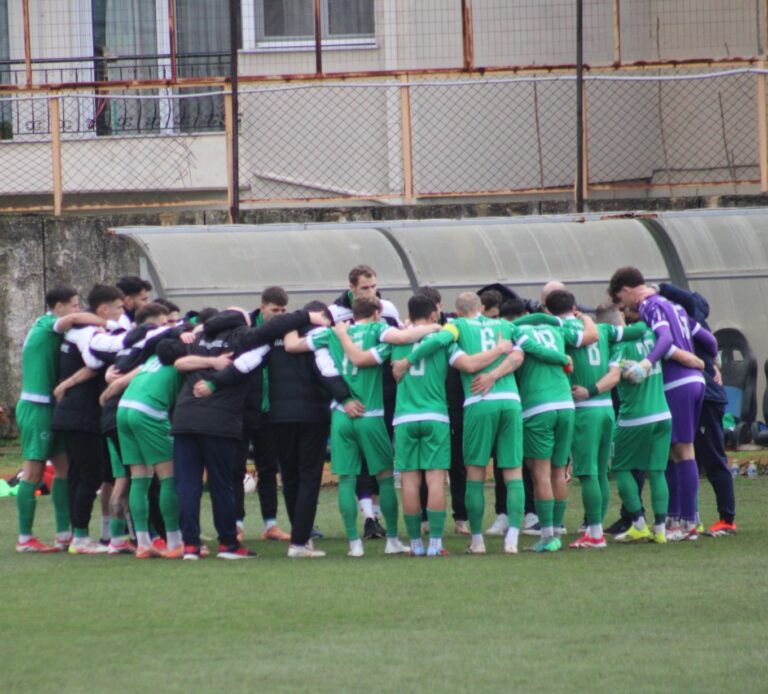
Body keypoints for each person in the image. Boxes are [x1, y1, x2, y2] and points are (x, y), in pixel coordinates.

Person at [397, 292, 571, 555]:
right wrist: (561, 358)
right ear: (480, 307)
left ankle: (477, 540)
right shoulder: (505, 325)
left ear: (457, 311)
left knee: (475, 473)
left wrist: (407, 361)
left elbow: (440, 344)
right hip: (511, 401)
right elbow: (524, 353)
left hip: (478, 401)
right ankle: (512, 539)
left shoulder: (456, 326)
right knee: (513, 472)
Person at [170, 306, 326, 560]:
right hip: (218, 421)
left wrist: (202, 353)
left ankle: (190, 546)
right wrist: (307, 316)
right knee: (221, 484)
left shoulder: (198, 338)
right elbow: (273, 328)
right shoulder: (240, 337)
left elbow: (177, 362)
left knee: (187, 484)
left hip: (184, 418)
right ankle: (228, 544)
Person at [388, 293, 514, 556]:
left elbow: (368, 357)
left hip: (404, 417)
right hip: (436, 416)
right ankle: (435, 544)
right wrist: (499, 351)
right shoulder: (445, 342)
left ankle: (415, 545)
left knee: (409, 482)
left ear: (409, 315)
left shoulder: (396, 340)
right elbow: (468, 364)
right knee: (435, 481)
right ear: (434, 314)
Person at [289, 297, 408, 557]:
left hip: (341, 415)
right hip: (370, 413)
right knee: (385, 477)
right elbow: (401, 339)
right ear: (377, 313)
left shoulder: (332, 332)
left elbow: (294, 346)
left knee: (346, 479)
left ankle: (354, 544)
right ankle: (392, 540)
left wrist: (288, 322)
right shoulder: (379, 330)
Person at [609, 267, 719, 541]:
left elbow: (665, 339)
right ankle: (678, 519)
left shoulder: (650, 305)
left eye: (621, 301)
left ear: (626, 290)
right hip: (695, 381)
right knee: (676, 451)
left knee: (682, 451)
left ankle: (687, 522)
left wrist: (647, 363)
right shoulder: (675, 306)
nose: (624, 308)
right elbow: (709, 339)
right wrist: (713, 363)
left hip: (676, 383)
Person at [15, 287, 105, 553]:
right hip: (36, 407)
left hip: (54, 408)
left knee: (64, 469)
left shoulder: (59, 331)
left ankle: (64, 534)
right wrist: (108, 323)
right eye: (74, 304)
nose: (77, 309)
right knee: (33, 471)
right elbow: (73, 319)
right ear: (58, 307)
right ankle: (24, 538)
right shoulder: (46, 325)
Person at [51, 284, 125, 554]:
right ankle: (80, 537)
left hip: (72, 413)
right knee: (90, 475)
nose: (121, 313)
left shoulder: (80, 328)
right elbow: (94, 363)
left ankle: (76, 534)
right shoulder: (87, 331)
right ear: (104, 309)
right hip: (80, 415)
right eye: (118, 308)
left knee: (79, 474)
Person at [657, 283, 736, 536]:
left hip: (706, 397)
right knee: (688, 457)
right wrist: (713, 363)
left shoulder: (689, 318)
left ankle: (727, 519)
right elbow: (711, 344)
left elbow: (709, 342)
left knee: (712, 457)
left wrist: (659, 287)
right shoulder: (689, 321)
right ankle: (690, 517)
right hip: (703, 393)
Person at [329, 264, 401, 539]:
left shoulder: (387, 309)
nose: (371, 292)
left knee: (378, 465)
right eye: (364, 288)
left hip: (383, 396)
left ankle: (374, 520)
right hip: (353, 402)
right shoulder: (334, 314)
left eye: (374, 287)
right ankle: (369, 517)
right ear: (351, 288)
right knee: (361, 467)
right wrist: (343, 396)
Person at [234, 287, 291, 543]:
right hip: (243, 410)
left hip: (271, 412)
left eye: (283, 310)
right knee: (236, 468)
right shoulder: (245, 328)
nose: (279, 315)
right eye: (274, 310)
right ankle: (237, 525)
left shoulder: (287, 331)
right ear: (263, 307)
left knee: (268, 468)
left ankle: (271, 525)